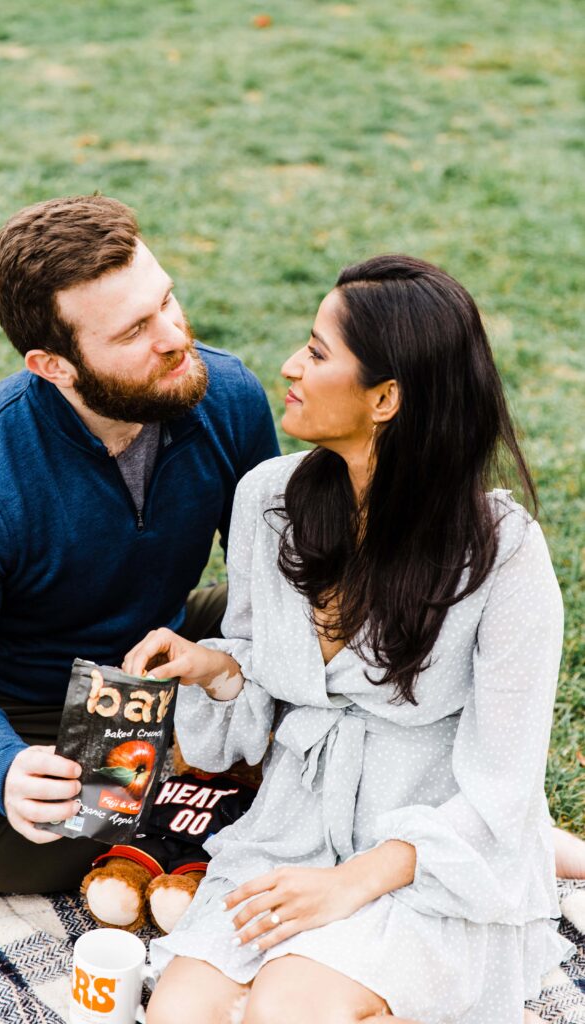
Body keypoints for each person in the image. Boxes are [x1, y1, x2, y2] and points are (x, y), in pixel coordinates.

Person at [123, 255, 575, 1024]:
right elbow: (263, 680)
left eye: (317, 351)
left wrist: (351, 883)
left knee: (289, 1011)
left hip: (422, 849)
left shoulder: (504, 554)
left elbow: (499, 786)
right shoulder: (267, 498)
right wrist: (213, 671)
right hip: (295, 829)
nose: (290, 365)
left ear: (387, 398)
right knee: (178, 1015)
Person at [0, 194, 279, 894]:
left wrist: (231, 660)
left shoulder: (225, 396)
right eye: (135, 330)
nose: (172, 336)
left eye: (166, 301)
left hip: (165, 648)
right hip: (29, 696)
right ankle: (218, 800)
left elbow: (267, 577)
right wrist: (4, 767)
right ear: (54, 367)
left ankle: (182, 788)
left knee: (345, 615)